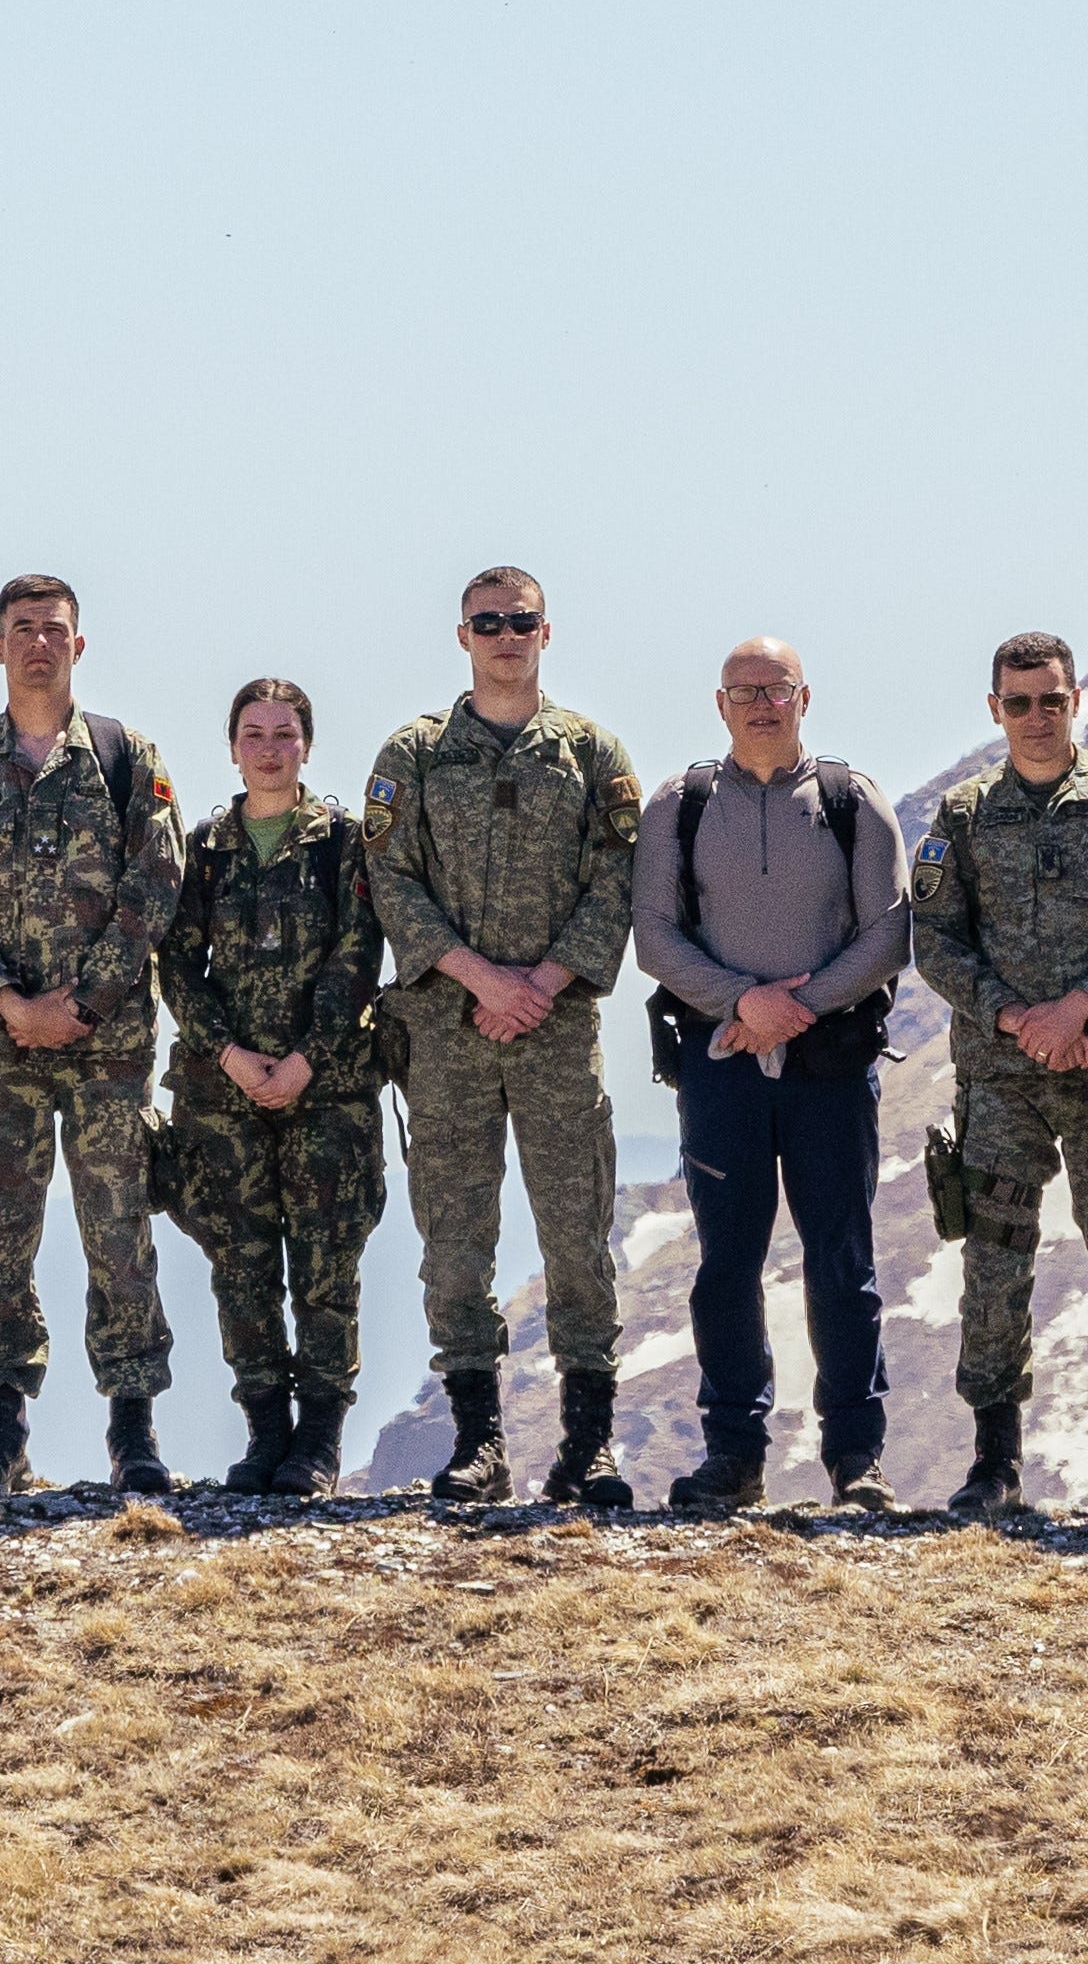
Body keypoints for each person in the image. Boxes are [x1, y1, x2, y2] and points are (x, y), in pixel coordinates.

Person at [362, 566, 647, 1509]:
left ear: (546, 631)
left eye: (520, 620)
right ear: (462, 637)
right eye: (488, 622)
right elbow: (390, 880)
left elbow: (618, 881)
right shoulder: (414, 754)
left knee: (576, 1237)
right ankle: (479, 1443)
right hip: (446, 1034)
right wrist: (484, 981)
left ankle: (588, 1447)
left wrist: (542, 984)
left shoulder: (590, 753)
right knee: (454, 1242)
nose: (505, 635)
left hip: (557, 1033)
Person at [914, 633, 1088, 1517]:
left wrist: (1080, 1006)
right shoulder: (964, 814)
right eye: (1017, 702)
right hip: (1001, 1078)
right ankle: (993, 1463)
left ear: (1076, 700)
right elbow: (934, 942)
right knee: (995, 1263)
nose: (1034, 718)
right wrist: (1016, 1018)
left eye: (1050, 700)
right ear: (993, 709)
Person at [0, 575, 189, 1494]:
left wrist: (81, 1002)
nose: (39, 644)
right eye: (22, 630)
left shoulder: (123, 757)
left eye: (54, 631)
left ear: (80, 645)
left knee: (118, 1228)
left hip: (105, 1042)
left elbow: (156, 884)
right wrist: (6, 1000)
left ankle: (133, 1430)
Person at [633, 636, 908, 1511]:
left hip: (831, 1066)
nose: (760, 702)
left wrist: (803, 1005)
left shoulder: (849, 801)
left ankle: (857, 1464)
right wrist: (744, 1003)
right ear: (719, 704)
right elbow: (654, 938)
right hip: (720, 1070)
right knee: (726, 1266)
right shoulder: (678, 806)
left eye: (775, 688)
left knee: (841, 1263)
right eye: (742, 689)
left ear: (804, 697)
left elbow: (889, 932)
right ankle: (733, 1457)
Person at [169, 680, 388, 1497]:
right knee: (242, 1263)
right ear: (231, 747)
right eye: (254, 734)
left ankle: (319, 1441)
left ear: (307, 745)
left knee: (328, 1261)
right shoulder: (206, 848)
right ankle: (266, 1432)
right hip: (224, 1094)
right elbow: (176, 963)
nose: (269, 748)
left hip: (325, 1088)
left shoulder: (344, 844)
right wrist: (225, 1052)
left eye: (285, 734)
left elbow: (358, 956)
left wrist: (305, 1057)